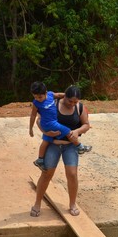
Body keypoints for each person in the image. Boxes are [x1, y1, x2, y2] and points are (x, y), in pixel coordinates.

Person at [31, 85, 92, 217]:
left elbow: (86, 125)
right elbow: (39, 120)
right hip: (53, 145)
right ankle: (37, 203)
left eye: (75, 102)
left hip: (70, 146)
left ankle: (72, 204)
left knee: (72, 174)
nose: (72, 104)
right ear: (65, 96)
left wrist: (77, 131)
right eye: (70, 101)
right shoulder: (53, 103)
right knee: (47, 173)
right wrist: (46, 132)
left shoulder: (80, 107)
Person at [29, 81, 92, 170]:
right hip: (49, 123)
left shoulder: (50, 95)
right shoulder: (36, 103)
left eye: (40, 97)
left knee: (46, 141)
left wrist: (67, 94)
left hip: (52, 123)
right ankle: (79, 146)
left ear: (46, 93)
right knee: (67, 131)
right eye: (35, 97)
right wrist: (30, 128)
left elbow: (58, 95)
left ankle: (40, 159)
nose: (38, 99)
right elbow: (33, 116)